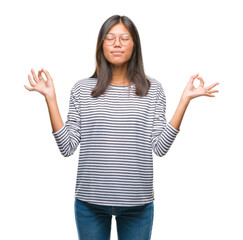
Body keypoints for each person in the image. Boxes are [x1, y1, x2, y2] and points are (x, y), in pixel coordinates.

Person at [24, 15, 219, 240]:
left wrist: (184, 100)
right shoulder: (81, 90)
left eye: (124, 38)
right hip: (90, 203)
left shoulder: (153, 90)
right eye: (110, 38)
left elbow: (160, 147)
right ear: (101, 45)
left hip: (137, 203)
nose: (117, 44)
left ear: (134, 45)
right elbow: (66, 147)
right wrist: (50, 98)